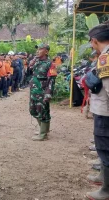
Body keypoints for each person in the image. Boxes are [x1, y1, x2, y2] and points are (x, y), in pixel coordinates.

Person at [85, 22, 109, 200]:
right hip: (103, 109)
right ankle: (102, 177)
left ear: (94, 41)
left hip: (105, 111)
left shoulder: (105, 58)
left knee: (105, 149)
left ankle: (106, 191)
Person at [29, 43, 57, 141]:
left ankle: (43, 134)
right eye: (37, 49)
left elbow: (51, 80)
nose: (38, 51)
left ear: (46, 51)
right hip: (34, 91)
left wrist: (48, 93)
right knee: (33, 110)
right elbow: (29, 69)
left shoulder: (50, 64)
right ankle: (43, 129)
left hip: (43, 92)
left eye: (40, 49)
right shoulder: (37, 62)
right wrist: (34, 60)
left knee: (43, 112)